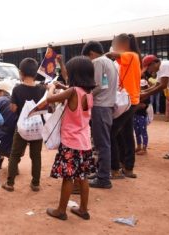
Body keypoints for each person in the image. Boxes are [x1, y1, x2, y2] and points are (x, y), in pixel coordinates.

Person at [46, 56, 96, 221]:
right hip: (84, 142)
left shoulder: (72, 91)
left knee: (68, 177)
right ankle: (83, 209)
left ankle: (61, 210)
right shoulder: (88, 92)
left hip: (70, 143)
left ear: (75, 75)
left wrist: (52, 87)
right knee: (82, 177)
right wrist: (62, 71)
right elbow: (70, 84)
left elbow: (50, 99)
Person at [2, 58, 46, 192]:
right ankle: (35, 183)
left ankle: (10, 183)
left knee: (15, 154)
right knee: (36, 155)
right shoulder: (41, 89)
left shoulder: (17, 89)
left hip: (22, 127)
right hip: (37, 127)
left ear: (21, 73)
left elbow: (14, 109)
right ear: (35, 73)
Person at [81, 41, 117, 189]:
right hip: (107, 106)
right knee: (103, 143)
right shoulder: (109, 62)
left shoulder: (97, 62)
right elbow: (104, 84)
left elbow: (96, 86)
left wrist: (83, 95)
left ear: (91, 54)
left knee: (102, 144)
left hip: (100, 106)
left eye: (87, 58)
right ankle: (101, 173)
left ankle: (103, 178)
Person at [105, 33, 141, 179]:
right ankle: (127, 167)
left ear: (123, 45)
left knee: (110, 132)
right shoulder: (129, 58)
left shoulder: (131, 55)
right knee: (125, 134)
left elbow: (111, 54)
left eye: (114, 43)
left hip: (127, 101)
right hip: (128, 101)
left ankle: (114, 169)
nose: (113, 46)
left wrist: (99, 57)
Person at [140, 55, 169, 159]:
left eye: (149, 68)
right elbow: (157, 84)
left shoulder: (164, 66)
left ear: (154, 63)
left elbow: (163, 85)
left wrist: (144, 94)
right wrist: (143, 92)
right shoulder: (161, 69)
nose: (149, 71)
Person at [0, 80, 17, 169]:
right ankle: (13, 165)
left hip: (0, 135)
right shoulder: (16, 100)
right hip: (15, 134)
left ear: (2, 91)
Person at [134, 79, 150, 155]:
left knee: (143, 131)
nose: (142, 88)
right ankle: (139, 146)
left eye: (143, 87)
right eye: (141, 87)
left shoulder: (147, 97)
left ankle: (144, 148)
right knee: (137, 132)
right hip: (135, 115)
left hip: (142, 116)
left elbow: (143, 106)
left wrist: (135, 106)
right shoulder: (137, 95)